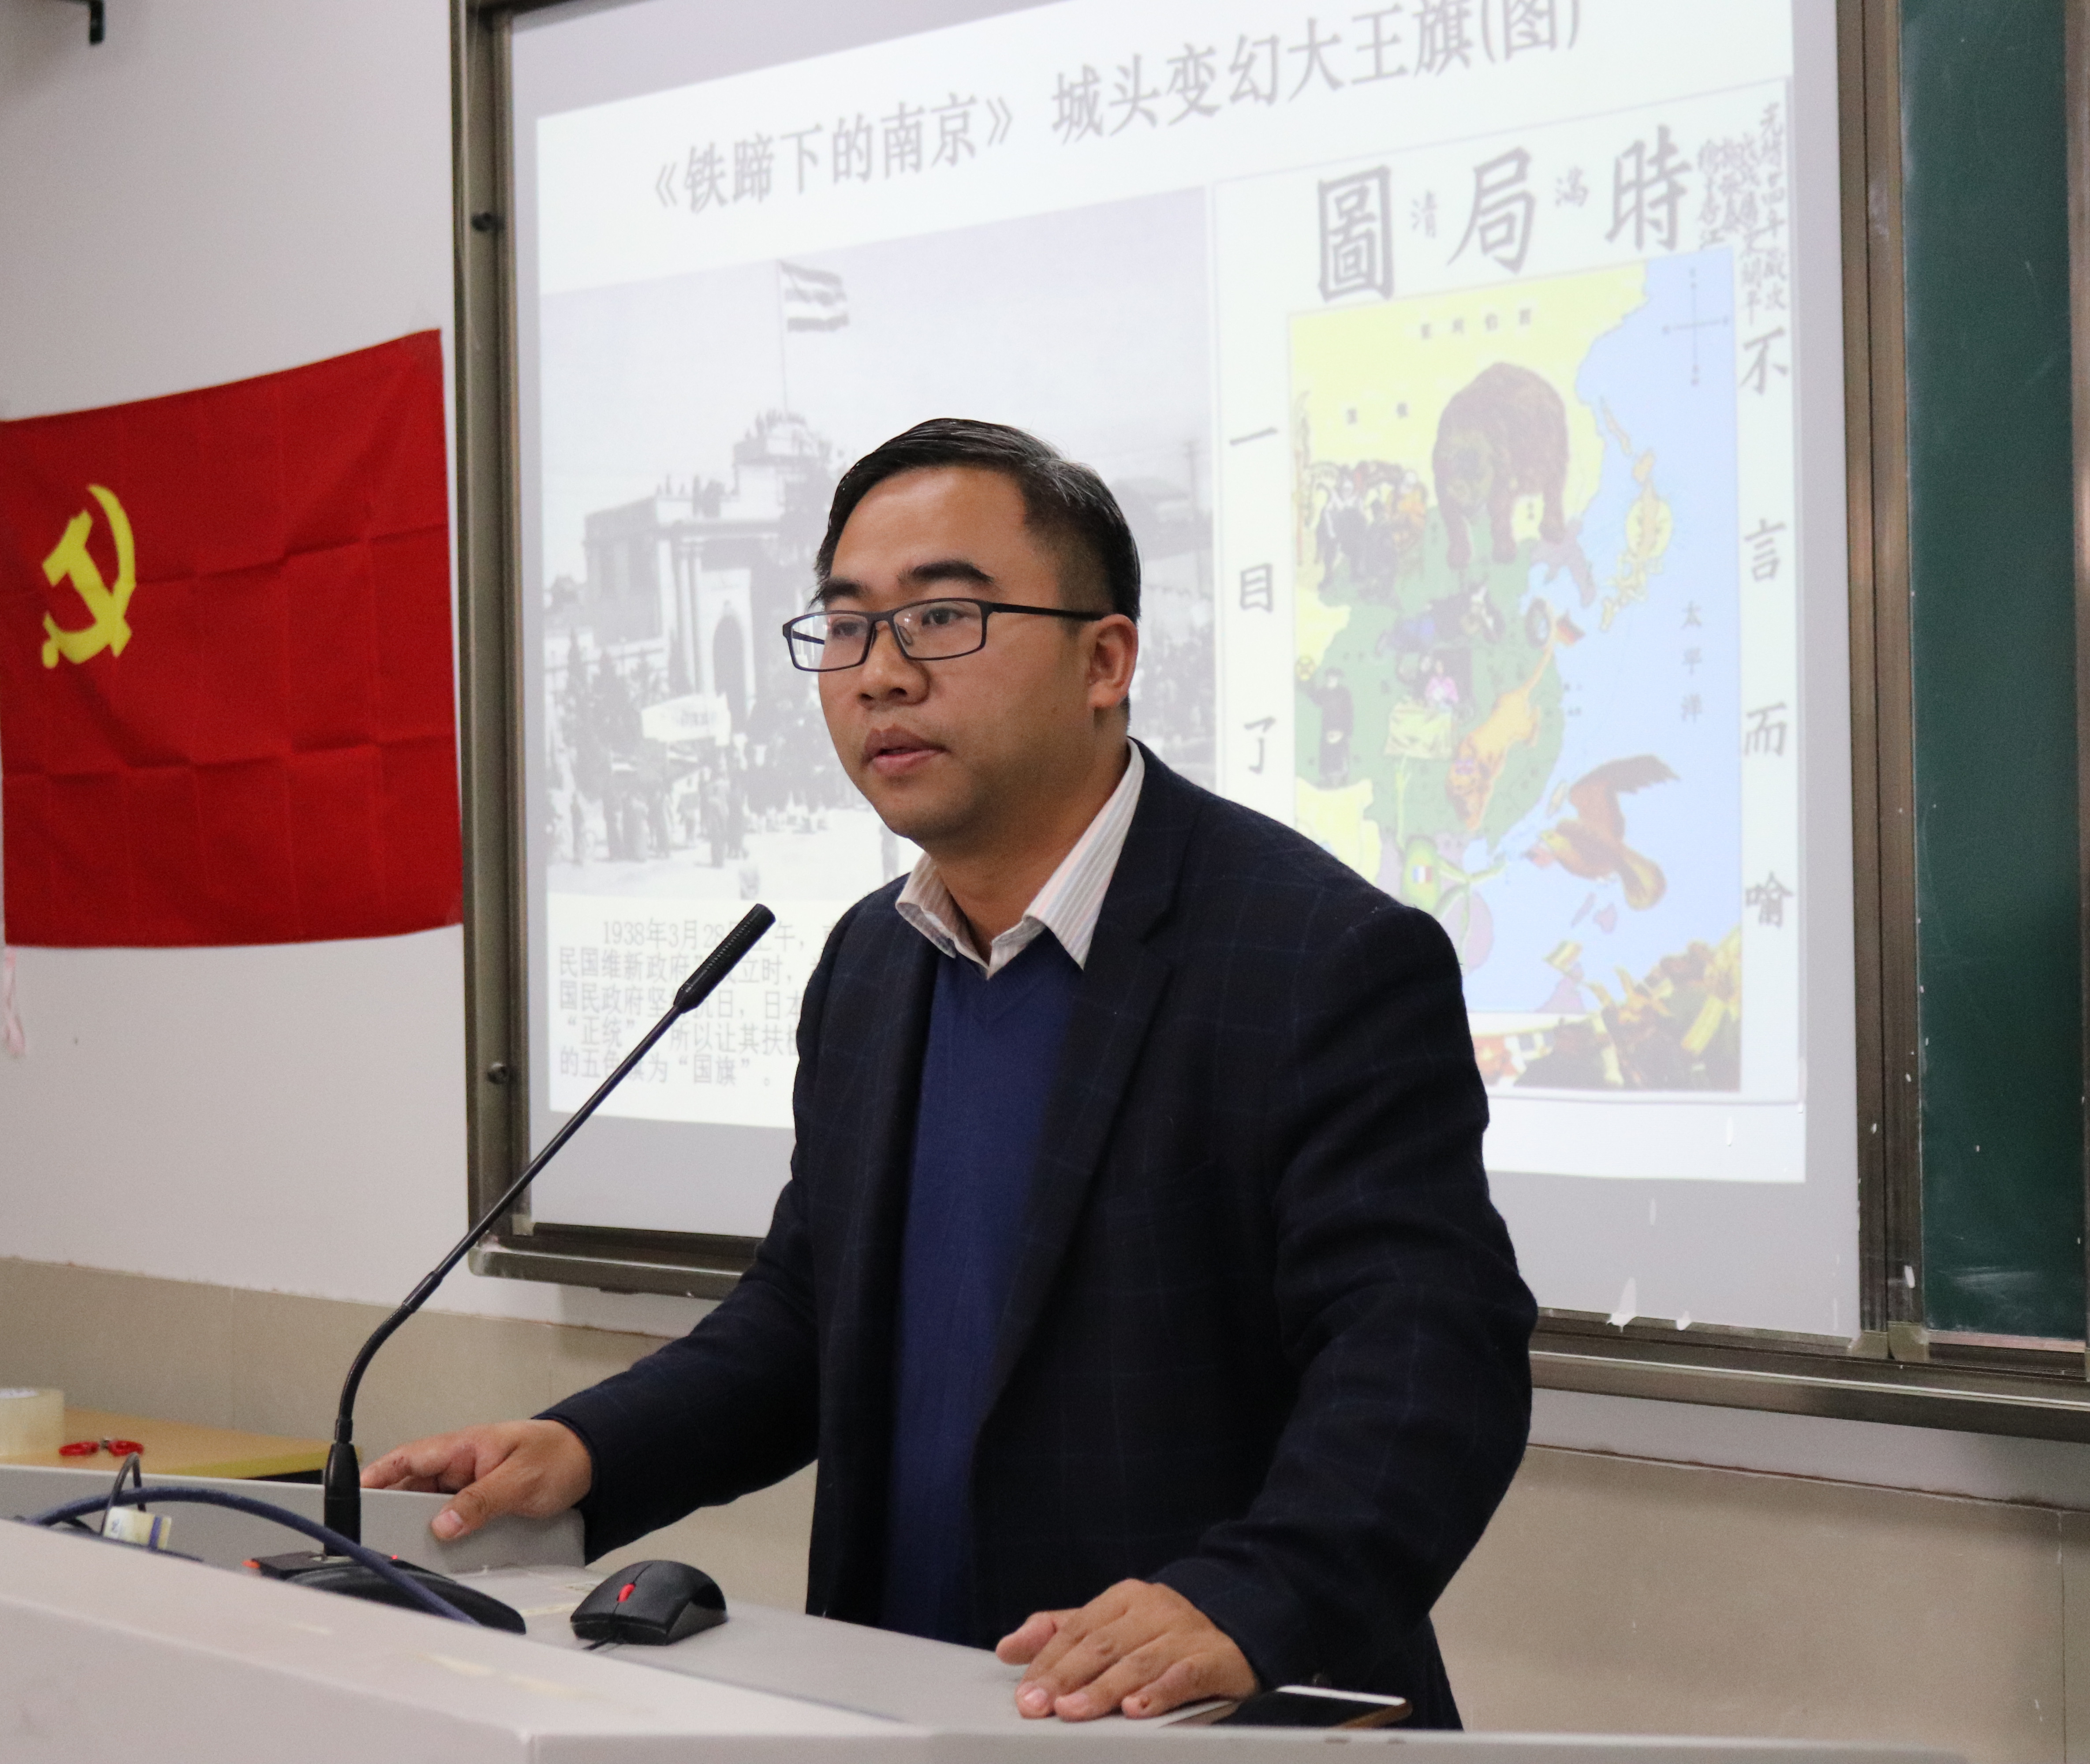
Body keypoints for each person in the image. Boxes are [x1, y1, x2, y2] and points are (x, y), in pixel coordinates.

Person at [365, 419, 1537, 1726]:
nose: (881, 674)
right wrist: (585, 1451)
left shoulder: (1317, 954)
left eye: (941, 619)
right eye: (847, 627)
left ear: (1106, 661)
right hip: (903, 1701)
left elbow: (1429, 1355)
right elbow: (809, 1317)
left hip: (1186, 1720)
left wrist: (1254, 1597)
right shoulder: (873, 962)